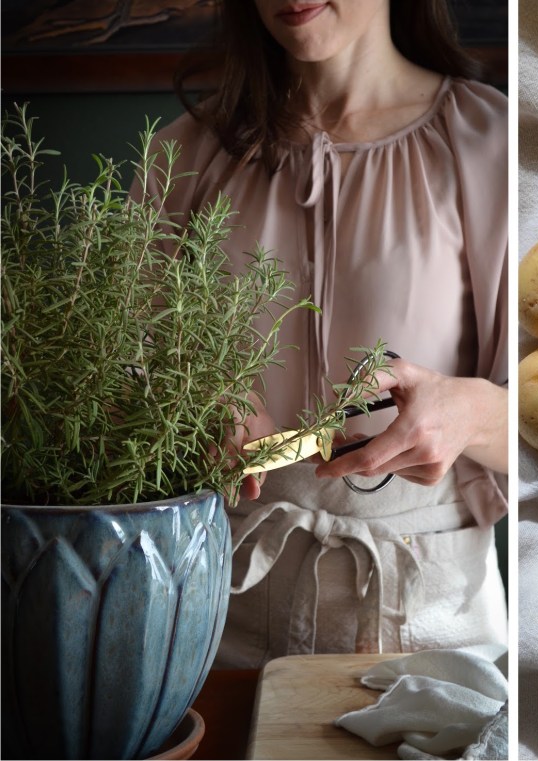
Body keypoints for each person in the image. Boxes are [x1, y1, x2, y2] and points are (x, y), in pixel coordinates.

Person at [148, 0, 509, 666]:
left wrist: (473, 413)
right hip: (217, 628)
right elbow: (115, 398)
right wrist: (181, 408)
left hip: (434, 637)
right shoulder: (180, 160)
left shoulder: (494, 144)